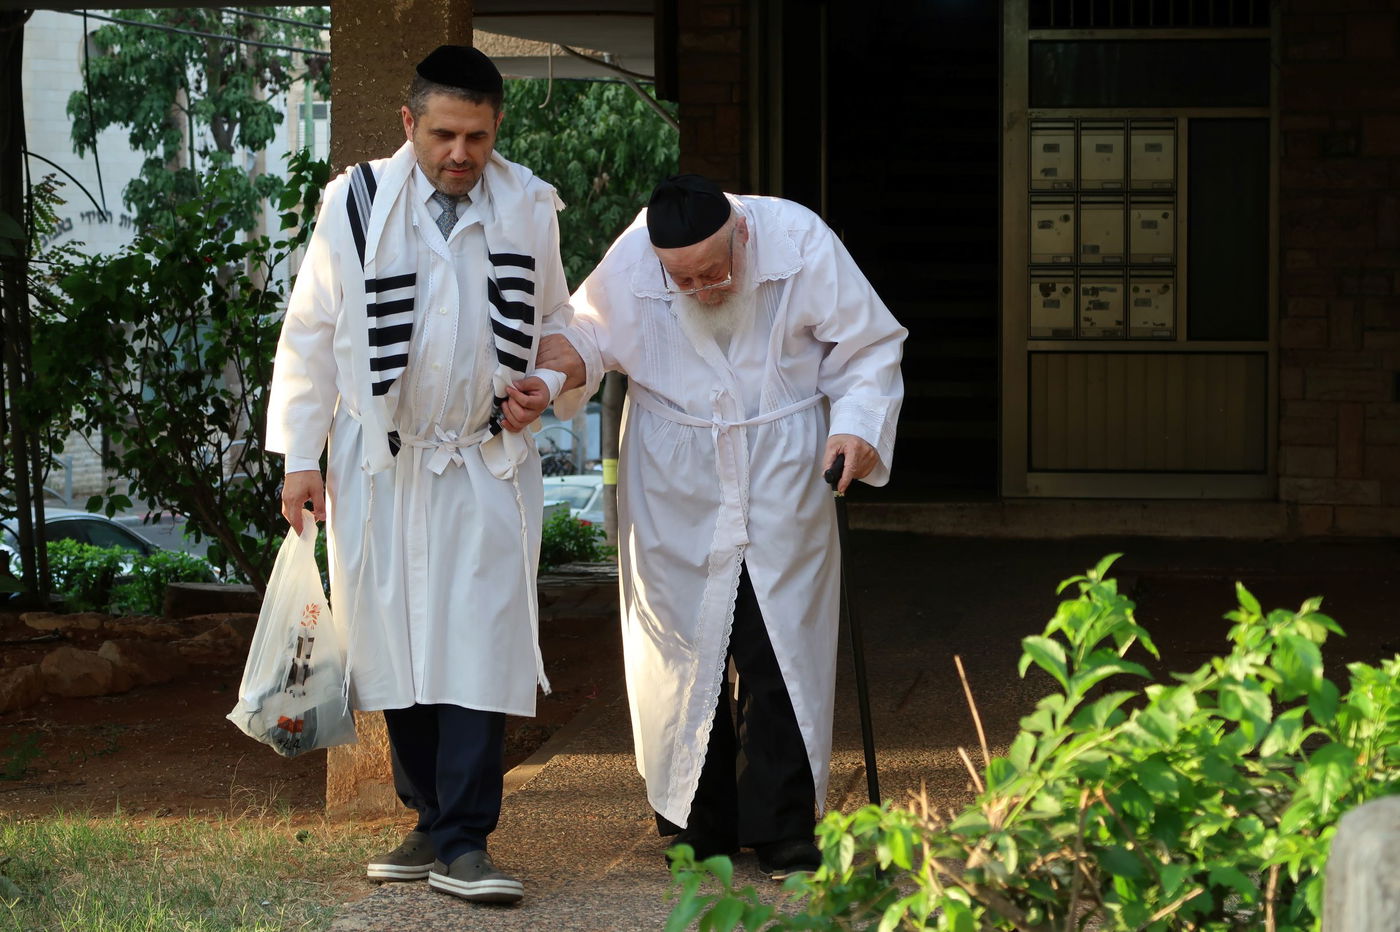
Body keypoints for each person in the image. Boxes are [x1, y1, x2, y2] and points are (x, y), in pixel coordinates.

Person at [266, 45, 569, 905]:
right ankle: (429, 819)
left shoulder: (527, 203)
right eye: (443, 134)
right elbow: (312, 330)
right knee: (392, 643)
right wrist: (299, 455)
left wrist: (545, 382)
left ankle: (466, 839)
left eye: (477, 135)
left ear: (496, 128)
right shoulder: (354, 202)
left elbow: (556, 318)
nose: (460, 154)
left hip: (483, 458)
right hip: (382, 462)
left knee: (479, 642)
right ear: (409, 123)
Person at [537, 174, 906, 879]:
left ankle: (784, 823)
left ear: (742, 235)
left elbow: (868, 348)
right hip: (675, 473)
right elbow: (587, 333)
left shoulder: (798, 239)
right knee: (682, 646)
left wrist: (856, 428)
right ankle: (692, 818)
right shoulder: (636, 258)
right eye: (684, 280)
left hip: (782, 462)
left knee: (781, 643)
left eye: (715, 272)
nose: (704, 290)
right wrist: (556, 377)